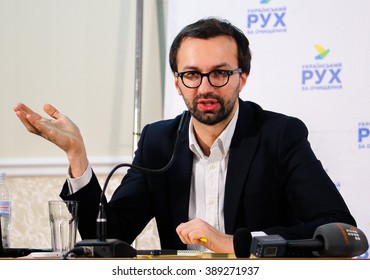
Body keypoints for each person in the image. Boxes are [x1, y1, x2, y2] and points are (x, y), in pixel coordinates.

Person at [14, 17, 356, 255]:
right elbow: (107, 234)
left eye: (220, 73)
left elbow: (340, 229)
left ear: (243, 77)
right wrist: (77, 156)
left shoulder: (280, 135)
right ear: (177, 82)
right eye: (192, 74)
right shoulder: (157, 141)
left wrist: (236, 243)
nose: (205, 87)